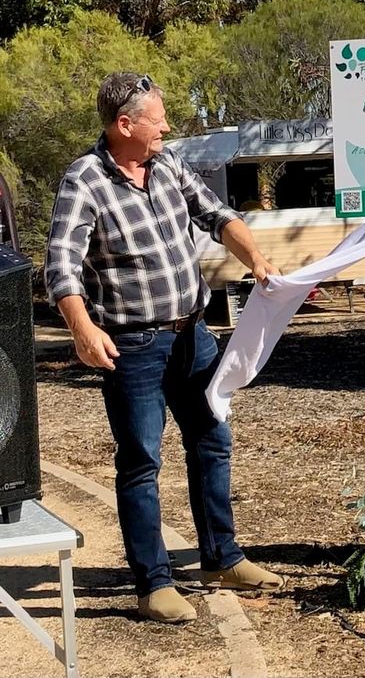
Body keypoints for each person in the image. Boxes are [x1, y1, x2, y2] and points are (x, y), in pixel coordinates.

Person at [45, 72, 285, 624]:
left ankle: (221, 558)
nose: (168, 127)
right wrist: (83, 329)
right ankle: (152, 583)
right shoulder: (83, 180)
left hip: (192, 335)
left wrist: (257, 259)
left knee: (211, 440)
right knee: (140, 461)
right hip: (133, 345)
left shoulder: (169, 164)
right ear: (124, 125)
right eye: (158, 119)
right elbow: (60, 265)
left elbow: (216, 215)